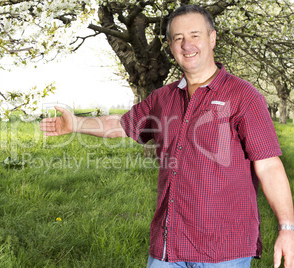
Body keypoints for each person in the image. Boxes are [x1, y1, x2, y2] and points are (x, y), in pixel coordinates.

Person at [40, 5, 294, 268]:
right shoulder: (163, 98)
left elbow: (268, 165)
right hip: (168, 245)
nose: (187, 45)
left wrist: (287, 228)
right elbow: (122, 124)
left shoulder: (243, 96)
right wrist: (77, 123)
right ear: (171, 46)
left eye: (195, 35)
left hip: (223, 249)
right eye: (178, 38)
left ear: (212, 38)